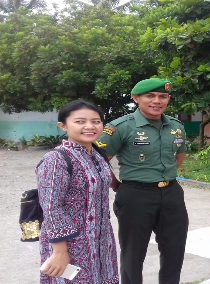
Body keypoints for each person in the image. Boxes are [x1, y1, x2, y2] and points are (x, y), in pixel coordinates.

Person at [96, 78, 188, 284]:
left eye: (163, 96)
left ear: (168, 99)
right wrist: (117, 186)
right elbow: (99, 162)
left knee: (175, 248)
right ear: (136, 98)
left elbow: (178, 158)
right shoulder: (120, 127)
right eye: (150, 96)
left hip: (172, 194)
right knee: (133, 252)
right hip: (135, 195)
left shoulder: (175, 126)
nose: (157, 101)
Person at [37, 100, 119, 283]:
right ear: (63, 126)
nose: (89, 126)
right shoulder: (56, 159)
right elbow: (52, 208)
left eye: (96, 121)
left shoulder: (97, 155)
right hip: (71, 244)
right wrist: (60, 251)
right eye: (80, 121)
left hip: (101, 240)